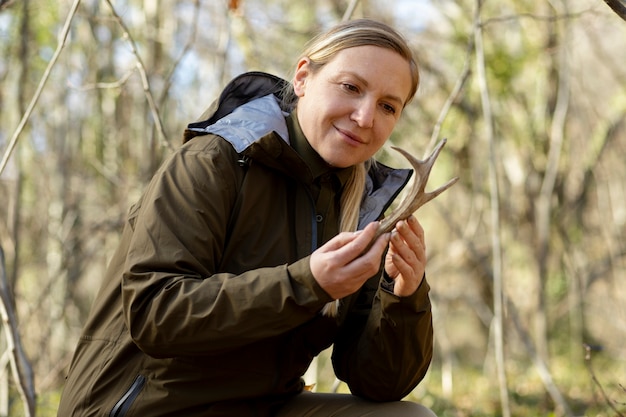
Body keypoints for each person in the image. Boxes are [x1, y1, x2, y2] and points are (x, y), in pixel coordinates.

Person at [57, 18, 436, 417]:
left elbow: (377, 383)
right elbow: (155, 313)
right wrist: (305, 284)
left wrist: (402, 299)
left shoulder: (361, 207)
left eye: (387, 106)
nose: (364, 117)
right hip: (147, 408)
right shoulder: (214, 162)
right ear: (304, 77)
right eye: (351, 87)